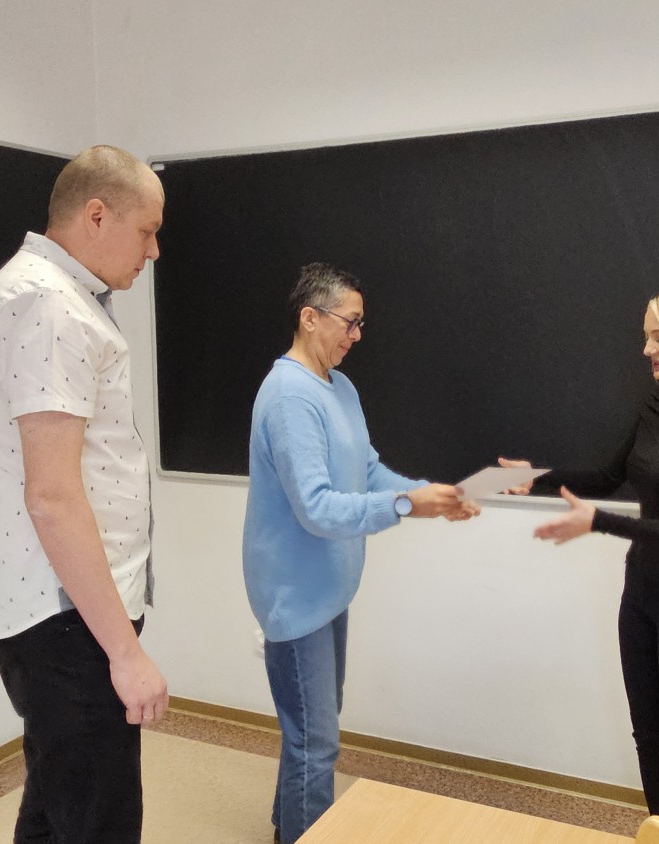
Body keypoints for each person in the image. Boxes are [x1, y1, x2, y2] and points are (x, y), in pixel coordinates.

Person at [0, 145, 169, 844]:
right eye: (147, 231)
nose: (154, 251)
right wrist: (126, 655)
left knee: (54, 811)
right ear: (96, 215)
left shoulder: (50, 297)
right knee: (99, 821)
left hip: (66, 615)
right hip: (67, 618)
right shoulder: (47, 306)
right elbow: (51, 496)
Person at [502, 280, 659, 844]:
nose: (647, 349)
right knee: (651, 743)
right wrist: (535, 478)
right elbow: (609, 476)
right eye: (647, 336)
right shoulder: (657, 401)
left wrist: (599, 522)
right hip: (641, 596)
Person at [243, 262, 478, 843]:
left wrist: (428, 496)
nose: (356, 335)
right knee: (316, 741)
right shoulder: (289, 396)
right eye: (349, 322)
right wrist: (405, 505)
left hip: (330, 589)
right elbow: (317, 508)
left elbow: (367, 471)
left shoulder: (339, 388)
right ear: (309, 318)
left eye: (359, 323)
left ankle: (286, 826)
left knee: (310, 728)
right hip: (296, 595)